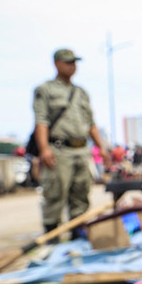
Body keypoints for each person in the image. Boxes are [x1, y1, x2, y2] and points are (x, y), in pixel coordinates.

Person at [32, 48, 107, 235]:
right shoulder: (45, 90)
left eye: (74, 62)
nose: (72, 66)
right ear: (57, 63)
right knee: (55, 193)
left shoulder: (81, 92)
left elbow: (91, 123)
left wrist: (102, 148)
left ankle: (78, 233)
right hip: (59, 149)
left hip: (81, 149)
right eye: (68, 62)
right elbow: (41, 121)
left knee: (81, 194)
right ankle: (52, 235)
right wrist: (44, 149)